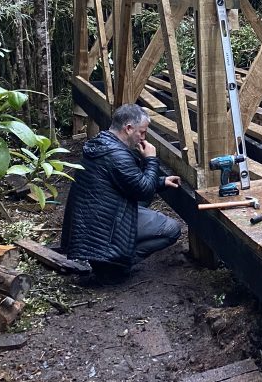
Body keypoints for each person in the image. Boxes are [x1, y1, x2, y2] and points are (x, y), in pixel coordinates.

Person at [61, 104, 182, 279]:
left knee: (141, 203)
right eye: (142, 132)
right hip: (104, 230)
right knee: (172, 228)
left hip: (93, 226)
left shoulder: (100, 143)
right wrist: (151, 160)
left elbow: (129, 181)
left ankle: (109, 261)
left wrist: (162, 181)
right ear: (128, 128)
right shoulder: (118, 156)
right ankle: (116, 266)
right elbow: (144, 191)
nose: (143, 137)